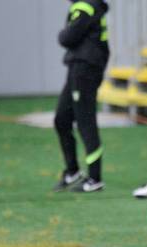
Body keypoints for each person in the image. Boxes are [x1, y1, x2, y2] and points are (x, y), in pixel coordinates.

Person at [53, 0, 109, 193]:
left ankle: (94, 178)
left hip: (83, 70)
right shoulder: (89, 5)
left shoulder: (83, 6)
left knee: (85, 121)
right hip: (79, 69)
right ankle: (72, 171)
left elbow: (68, 37)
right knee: (62, 119)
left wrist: (62, 33)